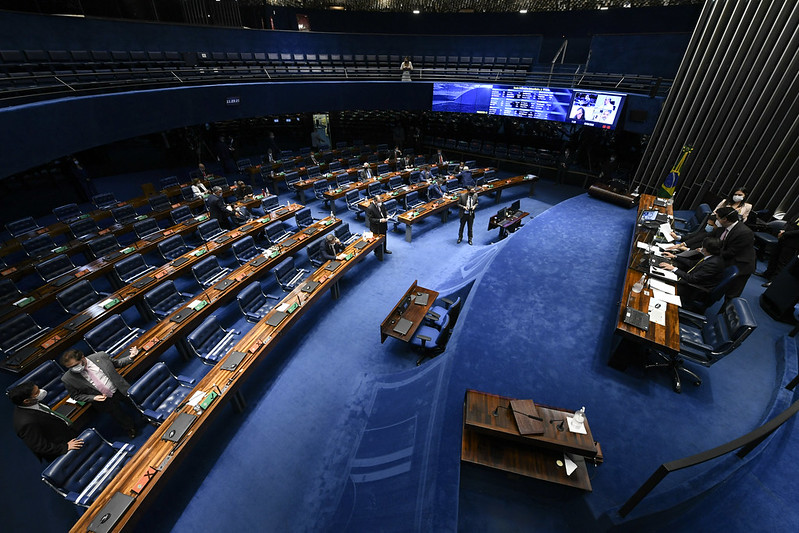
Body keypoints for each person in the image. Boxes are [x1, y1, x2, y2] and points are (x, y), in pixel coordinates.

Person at [60, 348, 142, 438]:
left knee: (136, 404)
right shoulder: (67, 378)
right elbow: (75, 396)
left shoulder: (100, 356)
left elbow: (117, 363)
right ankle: (130, 428)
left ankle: (146, 416)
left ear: (82, 357)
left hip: (120, 388)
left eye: (75, 365)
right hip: (104, 400)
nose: (74, 368)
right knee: (118, 415)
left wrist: (130, 357)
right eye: (70, 367)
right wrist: (93, 398)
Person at [9, 382, 83, 462]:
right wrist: (66, 447)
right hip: (62, 447)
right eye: (37, 393)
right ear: (26, 401)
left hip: (62, 431)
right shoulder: (26, 423)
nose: (41, 391)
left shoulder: (33, 402)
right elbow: (40, 446)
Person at [658, 237, 725, 307]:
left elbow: (692, 279)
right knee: (661, 276)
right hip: (690, 281)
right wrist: (674, 257)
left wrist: (673, 269)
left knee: (660, 287)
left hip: (693, 290)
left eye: (702, 246)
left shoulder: (713, 263)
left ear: (705, 249)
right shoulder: (712, 256)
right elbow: (692, 264)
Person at [758, 212, 799, 287]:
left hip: (793, 242)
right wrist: (782, 230)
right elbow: (788, 222)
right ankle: (767, 274)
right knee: (774, 256)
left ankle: (773, 281)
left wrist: (786, 233)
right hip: (783, 238)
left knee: (782, 262)